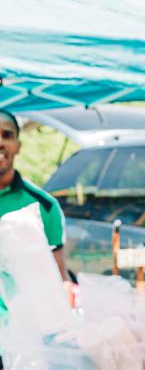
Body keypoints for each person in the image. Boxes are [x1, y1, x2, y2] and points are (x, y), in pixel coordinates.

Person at [0, 109, 68, 280]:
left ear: (18, 146)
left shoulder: (44, 206)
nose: (0, 142)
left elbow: (59, 278)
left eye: (6, 135)